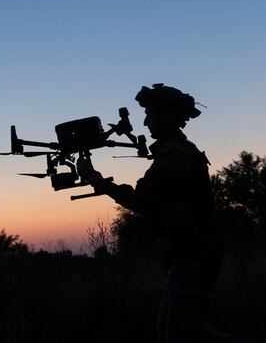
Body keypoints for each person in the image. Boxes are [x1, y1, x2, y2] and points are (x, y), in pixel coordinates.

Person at [78, 83, 232, 342]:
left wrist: (97, 181)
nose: (147, 122)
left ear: (171, 118)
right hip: (189, 254)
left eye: (152, 115)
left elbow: (142, 200)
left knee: (179, 334)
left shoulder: (174, 155)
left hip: (193, 256)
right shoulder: (176, 151)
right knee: (173, 330)